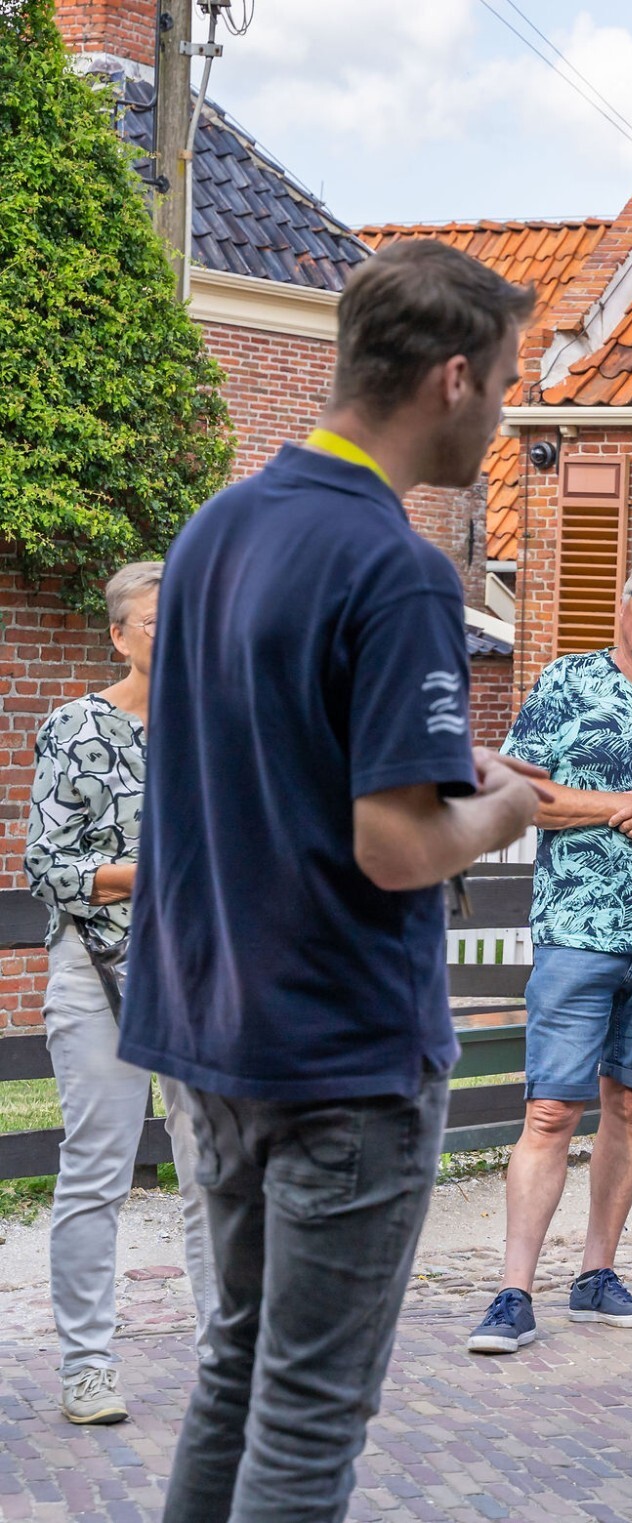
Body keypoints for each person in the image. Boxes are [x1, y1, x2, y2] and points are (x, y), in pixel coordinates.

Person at [119, 239, 548, 1520]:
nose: (503, 416)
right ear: (453, 377)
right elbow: (394, 845)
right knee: (309, 1416)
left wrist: (429, 770)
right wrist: (507, 805)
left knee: (233, 1370)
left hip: (207, 1025)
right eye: (505, 384)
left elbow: (259, 754)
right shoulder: (398, 565)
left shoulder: (214, 531)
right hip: (341, 1048)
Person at [467, 549, 632, 1355]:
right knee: (551, 1109)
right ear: (623, 603)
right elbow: (518, 793)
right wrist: (627, 807)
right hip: (577, 933)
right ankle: (513, 1292)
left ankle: (596, 1275)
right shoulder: (564, 683)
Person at [24, 562, 216, 1425]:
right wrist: (154, 874)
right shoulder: (77, 726)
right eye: (157, 622)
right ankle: (87, 1368)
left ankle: (226, 1362)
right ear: (119, 635)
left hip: (202, 976)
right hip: (96, 973)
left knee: (214, 1173)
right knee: (97, 1171)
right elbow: (47, 865)